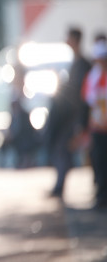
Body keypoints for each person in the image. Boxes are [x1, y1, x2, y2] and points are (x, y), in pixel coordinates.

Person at [45, 27, 92, 198]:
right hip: (70, 117)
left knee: (66, 151)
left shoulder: (83, 65)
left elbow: (83, 96)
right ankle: (59, 185)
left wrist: (81, 122)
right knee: (62, 150)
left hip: (76, 117)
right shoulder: (75, 63)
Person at [81, 35, 107, 208]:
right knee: (98, 162)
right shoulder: (92, 77)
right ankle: (101, 195)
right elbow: (88, 100)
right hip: (97, 127)